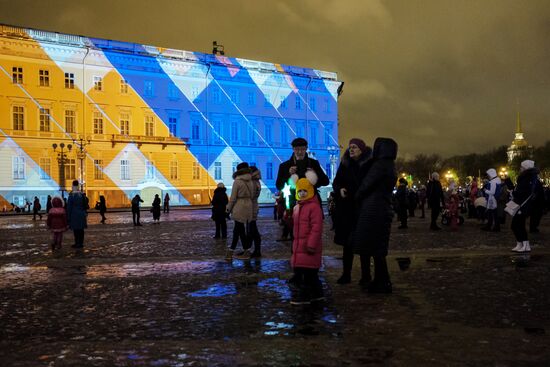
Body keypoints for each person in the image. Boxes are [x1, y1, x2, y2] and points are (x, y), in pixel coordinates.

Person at [352, 137, 398, 293]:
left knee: (375, 248)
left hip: (373, 209)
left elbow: (367, 184)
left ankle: (383, 283)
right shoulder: (390, 165)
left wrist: (356, 196)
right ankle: (380, 280)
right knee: (378, 248)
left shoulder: (380, 165)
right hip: (382, 208)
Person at [331, 138, 371, 284]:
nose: (351, 149)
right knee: (347, 245)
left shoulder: (368, 165)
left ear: (361, 149)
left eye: (354, 147)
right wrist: (339, 189)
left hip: (362, 208)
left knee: (364, 244)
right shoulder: (345, 164)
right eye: (350, 147)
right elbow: (337, 182)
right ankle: (346, 274)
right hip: (347, 209)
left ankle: (366, 276)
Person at [275, 137, 329, 241]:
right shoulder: (285, 166)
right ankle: (296, 254)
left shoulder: (313, 163)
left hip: (311, 202)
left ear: (306, 149)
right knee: (295, 234)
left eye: (302, 149)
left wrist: (314, 174)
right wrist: (288, 174)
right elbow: (279, 185)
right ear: (293, 149)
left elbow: (325, 181)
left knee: (311, 231)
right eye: (297, 149)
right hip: (293, 203)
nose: (299, 152)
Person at [290, 178, 324, 305]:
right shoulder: (297, 207)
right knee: (310, 275)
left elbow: (316, 228)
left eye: (305, 191)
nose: (302, 193)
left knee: (307, 275)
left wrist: (311, 244)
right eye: (300, 191)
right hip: (300, 248)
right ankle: (317, 295)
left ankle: (303, 297)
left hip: (309, 248)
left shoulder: (314, 207)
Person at [510, 160, 542, 252]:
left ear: (525, 168)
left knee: (517, 225)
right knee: (517, 225)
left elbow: (521, 192)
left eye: (521, 167)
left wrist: (513, 192)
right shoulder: (530, 178)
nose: (520, 169)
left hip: (522, 205)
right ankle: (520, 243)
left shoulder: (526, 178)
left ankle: (525, 244)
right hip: (523, 205)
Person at [226, 162, 255, 260]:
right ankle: (246, 251)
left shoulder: (237, 181)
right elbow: (253, 195)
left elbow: (233, 198)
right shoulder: (251, 181)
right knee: (241, 230)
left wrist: (228, 209)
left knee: (237, 230)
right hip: (249, 206)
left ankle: (230, 252)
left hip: (239, 206)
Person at [67, 180, 87, 248]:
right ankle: (81, 243)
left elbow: (69, 207)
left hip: (74, 215)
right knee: (81, 230)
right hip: (81, 214)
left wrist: (68, 217)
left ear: (72, 185)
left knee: (76, 230)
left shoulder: (71, 195)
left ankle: (77, 243)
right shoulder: (82, 194)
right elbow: (85, 205)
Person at [248, 166, 262, 258]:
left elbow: (251, 195)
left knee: (253, 230)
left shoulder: (253, 182)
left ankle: (257, 250)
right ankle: (251, 249)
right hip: (253, 207)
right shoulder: (256, 181)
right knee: (251, 229)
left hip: (251, 208)